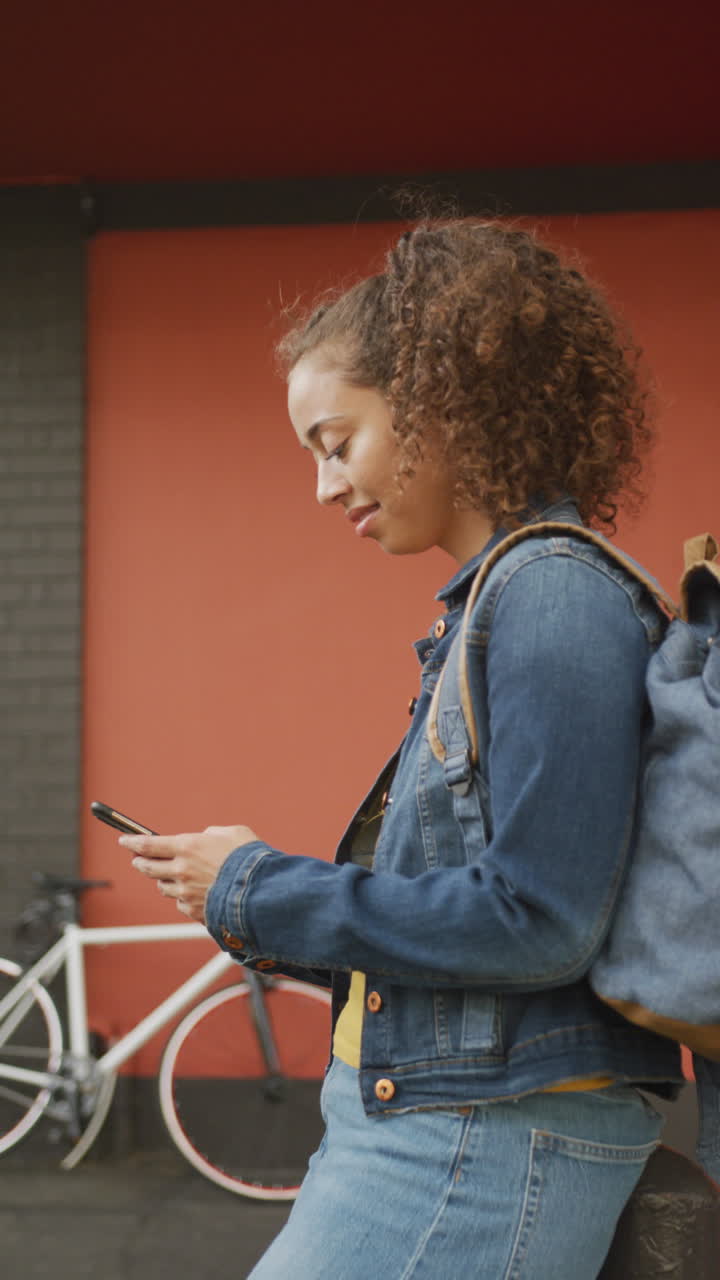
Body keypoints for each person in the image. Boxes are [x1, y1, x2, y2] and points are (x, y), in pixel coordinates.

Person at [120, 219, 684, 1278]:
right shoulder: (498, 603)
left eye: (339, 441)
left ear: (440, 404)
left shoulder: (551, 596)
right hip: (441, 1122)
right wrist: (241, 897)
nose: (327, 486)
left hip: (478, 1136)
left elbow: (539, 921)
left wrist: (262, 888)